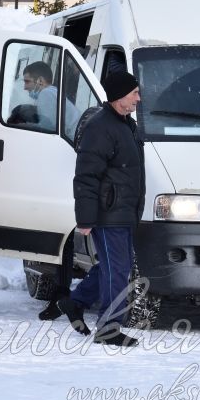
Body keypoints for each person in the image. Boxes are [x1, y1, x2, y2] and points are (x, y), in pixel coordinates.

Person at [58, 71, 144, 347]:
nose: (138, 99)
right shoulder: (101, 127)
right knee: (117, 269)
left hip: (123, 211)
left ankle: (76, 301)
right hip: (108, 213)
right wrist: (85, 217)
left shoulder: (124, 124)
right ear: (120, 96)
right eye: (134, 93)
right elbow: (86, 175)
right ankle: (109, 327)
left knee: (116, 265)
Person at [22, 61, 80, 134]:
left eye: (27, 82)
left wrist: (23, 126)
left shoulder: (45, 94)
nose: (25, 87)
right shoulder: (53, 91)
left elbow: (47, 128)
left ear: (40, 81)